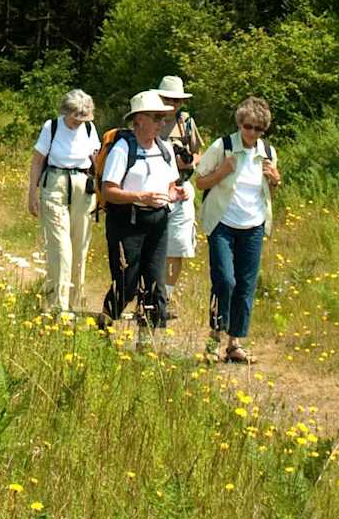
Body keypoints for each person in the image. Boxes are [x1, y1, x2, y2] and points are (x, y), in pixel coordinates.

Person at [195, 95, 282, 364]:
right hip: (222, 223)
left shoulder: (267, 152)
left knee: (246, 284)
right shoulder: (223, 147)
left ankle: (235, 343)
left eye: (258, 129)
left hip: (253, 224)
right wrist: (222, 171)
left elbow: (271, 188)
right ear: (240, 124)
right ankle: (213, 339)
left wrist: (275, 179)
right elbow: (199, 182)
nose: (252, 133)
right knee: (225, 280)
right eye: (248, 126)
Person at [97, 90, 187, 345]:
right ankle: (105, 321)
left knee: (155, 281)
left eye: (163, 117)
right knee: (127, 281)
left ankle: (145, 344)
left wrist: (176, 192)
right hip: (127, 222)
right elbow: (109, 191)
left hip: (158, 221)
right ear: (139, 120)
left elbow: (170, 184)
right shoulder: (123, 148)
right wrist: (140, 197)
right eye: (157, 117)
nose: (162, 122)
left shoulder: (164, 148)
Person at [27, 90, 100, 315]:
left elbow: (97, 159)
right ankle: (58, 305)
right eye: (75, 118)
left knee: (80, 246)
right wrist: (32, 193)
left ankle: (76, 301)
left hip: (83, 185)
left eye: (83, 119)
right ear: (66, 113)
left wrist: (103, 191)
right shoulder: (52, 127)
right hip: (55, 183)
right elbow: (38, 161)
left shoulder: (89, 129)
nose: (79, 123)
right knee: (61, 247)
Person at [157, 74, 203, 315]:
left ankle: (167, 298)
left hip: (182, 188)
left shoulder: (185, 122)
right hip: (155, 190)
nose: (173, 104)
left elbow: (198, 153)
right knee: (153, 246)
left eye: (177, 100)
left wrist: (187, 164)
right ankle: (151, 297)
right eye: (168, 99)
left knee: (177, 247)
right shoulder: (148, 120)